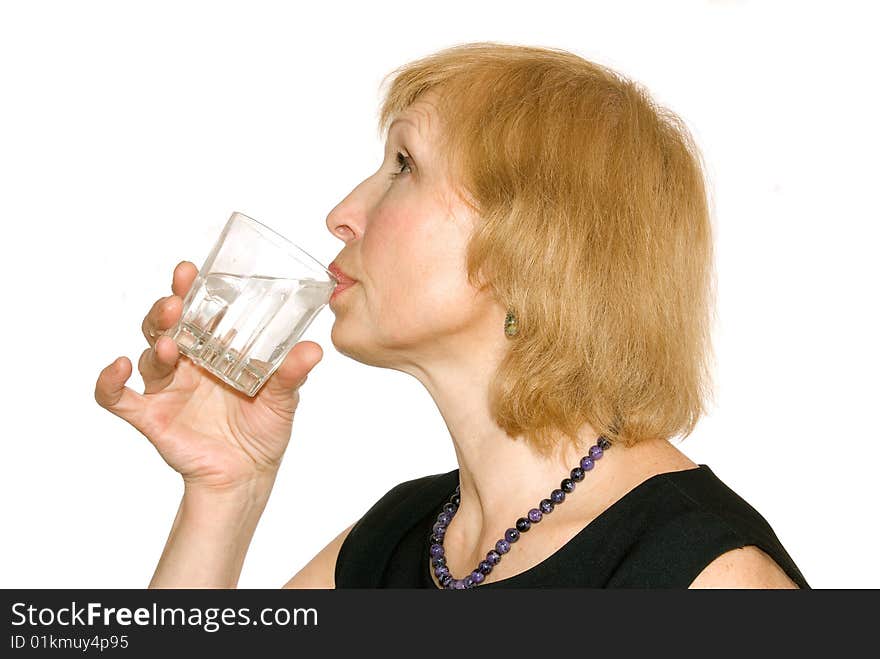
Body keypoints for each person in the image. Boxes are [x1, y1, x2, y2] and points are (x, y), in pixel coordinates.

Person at [94, 42, 809, 589]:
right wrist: (226, 491)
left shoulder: (702, 575)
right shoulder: (395, 541)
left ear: (527, 244)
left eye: (404, 164)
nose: (342, 214)